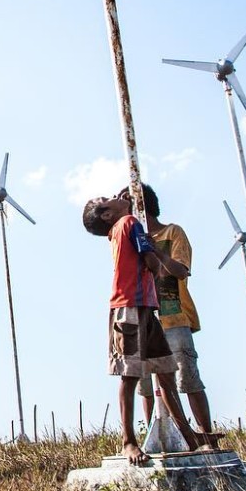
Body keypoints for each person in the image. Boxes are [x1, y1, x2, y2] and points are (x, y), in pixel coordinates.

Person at [83, 192, 205, 465]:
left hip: (146, 306)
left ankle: (188, 435)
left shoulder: (119, 228)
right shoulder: (128, 222)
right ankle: (128, 442)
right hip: (130, 307)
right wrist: (154, 252)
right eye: (108, 197)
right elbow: (150, 263)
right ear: (106, 213)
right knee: (130, 375)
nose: (116, 195)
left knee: (165, 370)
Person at [118, 184, 217, 441]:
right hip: (144, 316)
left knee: (187, 376)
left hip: (173, 315)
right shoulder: (129, 237)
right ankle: (159, 436)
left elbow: (180, 270)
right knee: (146, 383)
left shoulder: (173, 232)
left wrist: (154, 251)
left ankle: (206, 435)